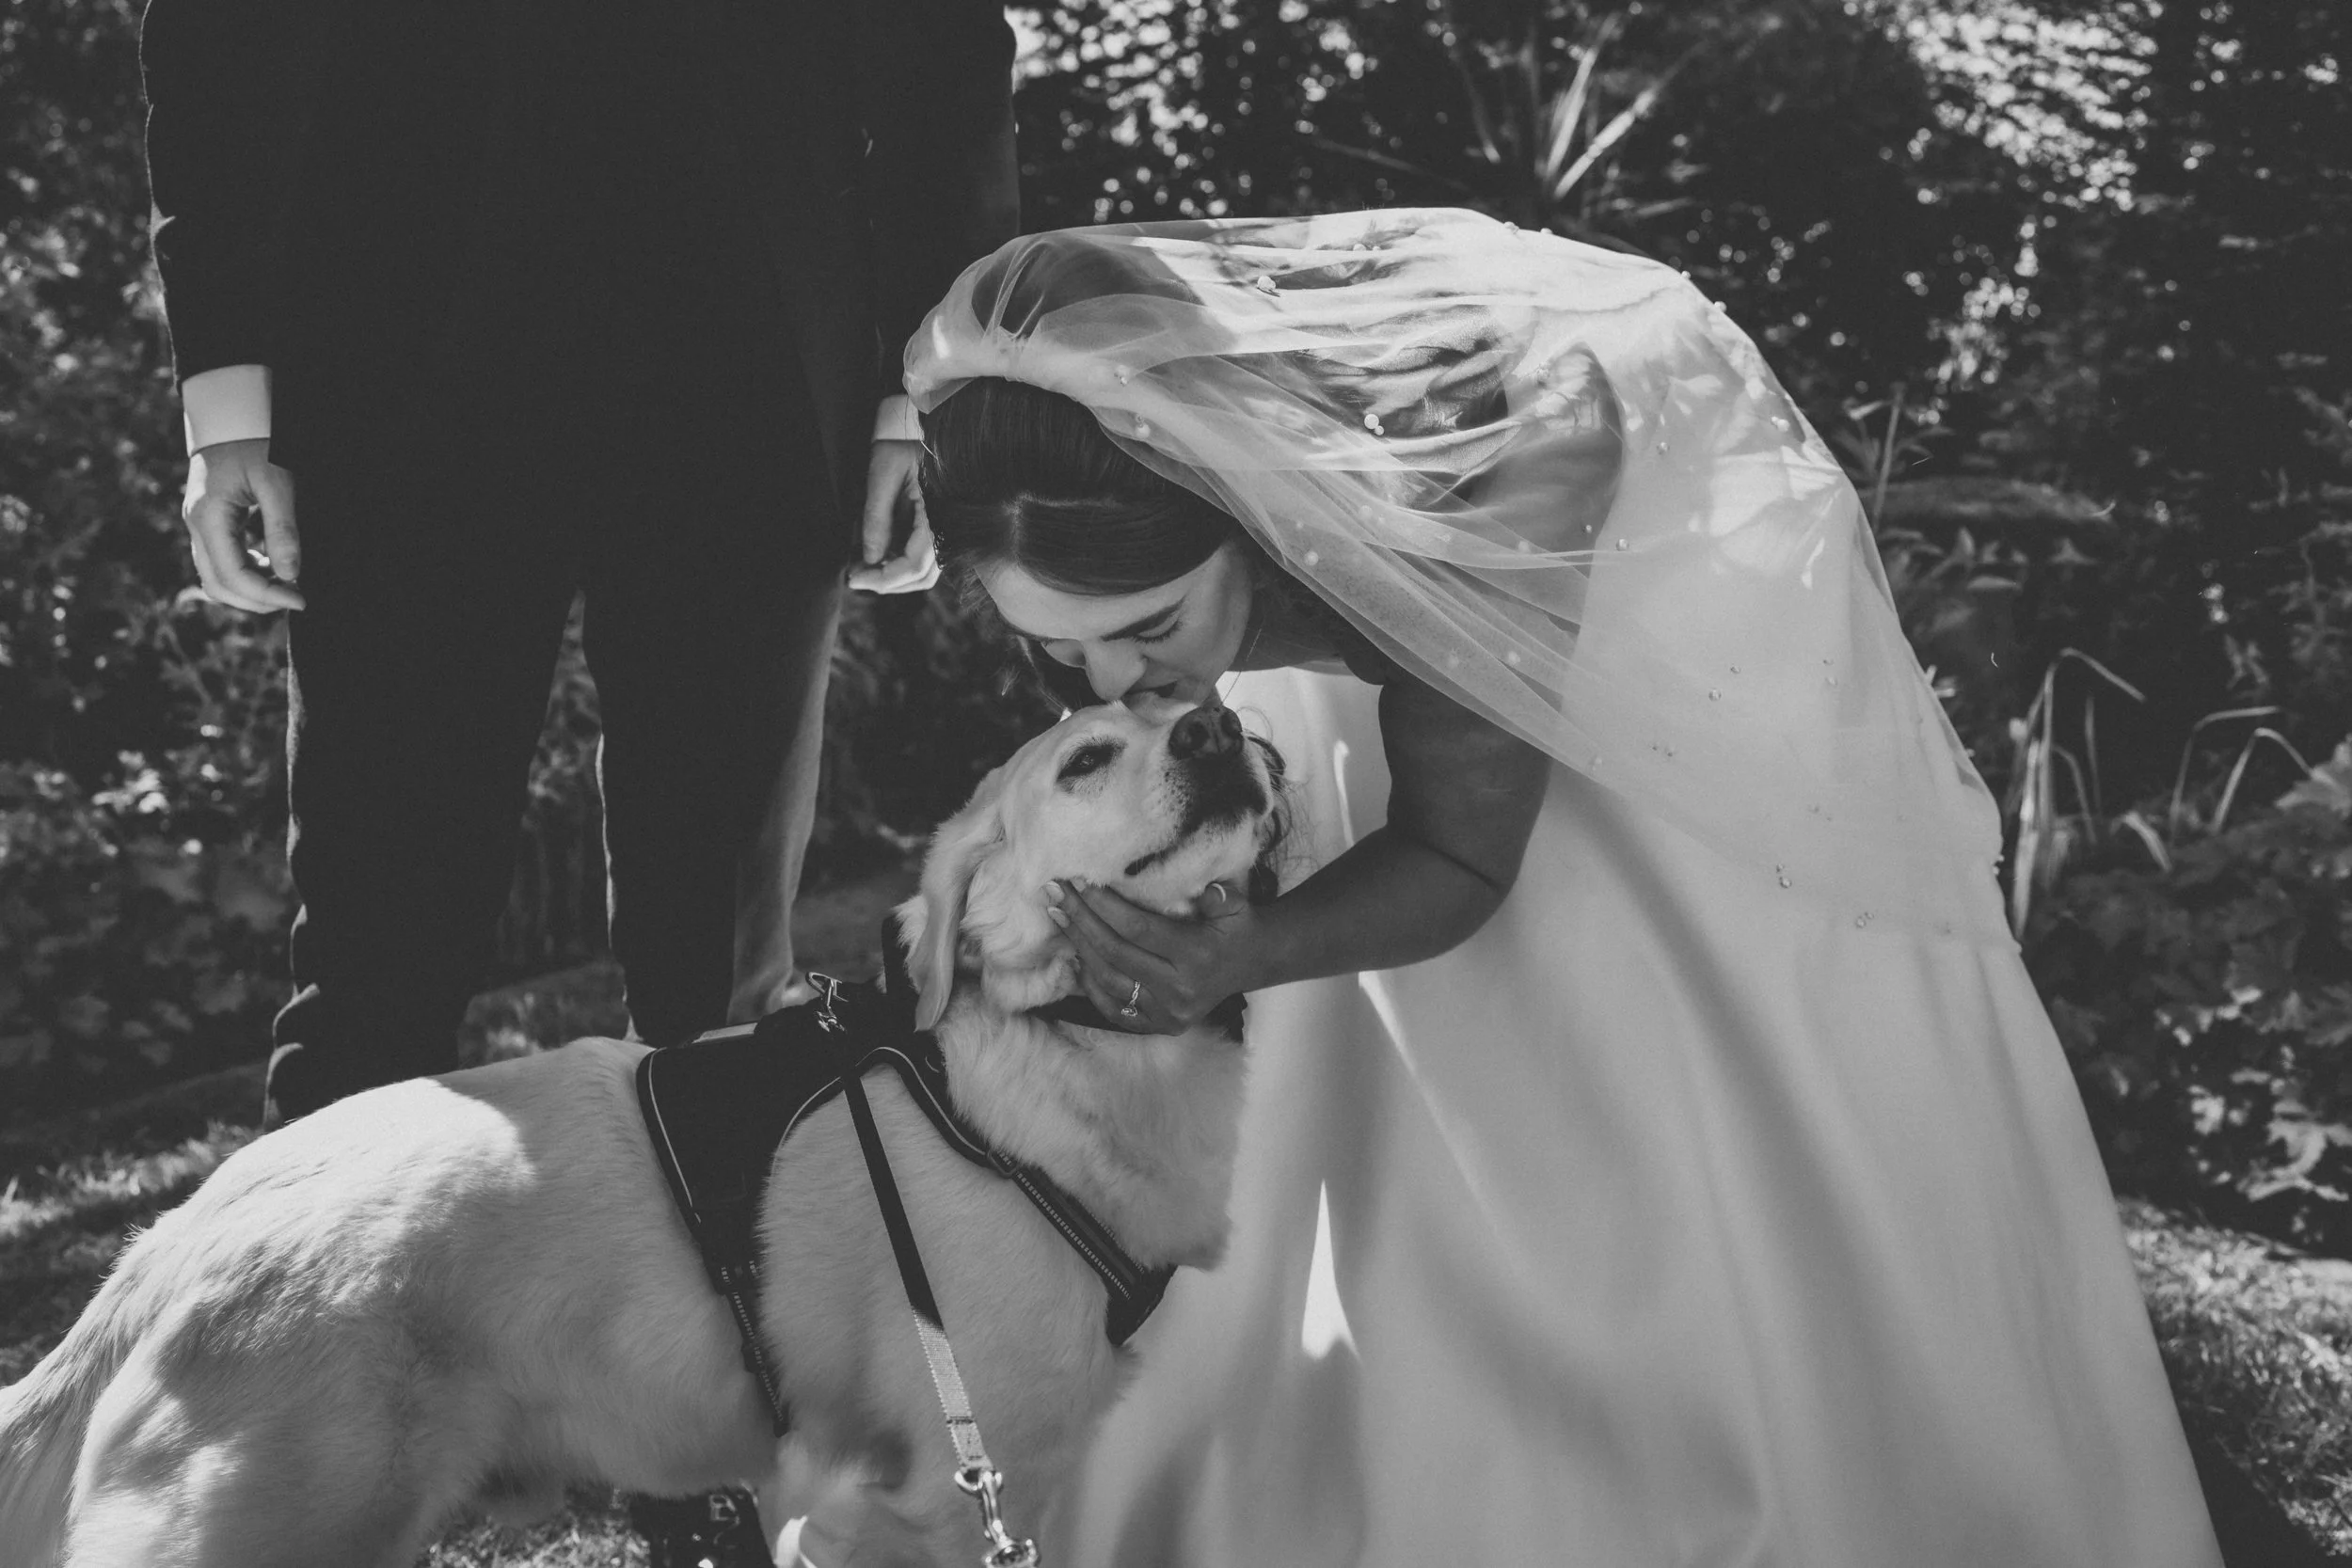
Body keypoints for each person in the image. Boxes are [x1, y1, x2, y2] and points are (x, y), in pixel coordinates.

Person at [907, 211, 2223, 1567]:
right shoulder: (1120, 553)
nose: (1128, 689)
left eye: (1148, 630)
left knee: (1647, 970)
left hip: (1631, 581)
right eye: (1064, 651)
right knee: (1358, 1086)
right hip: (1385, 567)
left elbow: (1461, 857)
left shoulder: (1474, 510)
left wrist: (1255, 949)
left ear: (1240, 507)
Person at [139, 2, 1014, 1559]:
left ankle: (715, 1477)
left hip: (754, 360)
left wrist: (916, 389)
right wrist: (228, 387)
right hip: (400, 356)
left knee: (723, 981)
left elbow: (940, 53)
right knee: (372, 976)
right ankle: (273, 1474)